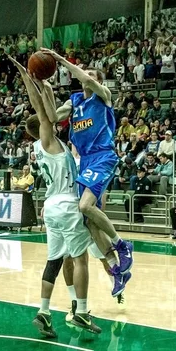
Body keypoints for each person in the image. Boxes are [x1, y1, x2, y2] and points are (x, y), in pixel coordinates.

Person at [14, 61, 104, 336]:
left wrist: (40, 84)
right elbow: (42, 112)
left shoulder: (45, 148)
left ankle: (43, 311)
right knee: (81, 260)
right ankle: (83, 313)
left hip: (50, 208)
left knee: (54, 261)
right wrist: (28, 78)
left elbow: (44, 110)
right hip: (64, 204)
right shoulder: (48, 141)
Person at [42, 49, 133, 276]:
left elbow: (87, 79)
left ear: (97, 81)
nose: (85, 77)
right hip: (84, 162)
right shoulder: (74, 102)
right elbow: (53, 116)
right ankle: (116, 269)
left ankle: (121, 244)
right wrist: (41, 86)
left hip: (103, 155)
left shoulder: (103, 96)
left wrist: (62, 60)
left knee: (84, 207)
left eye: (89, 75)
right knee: (88, 220)